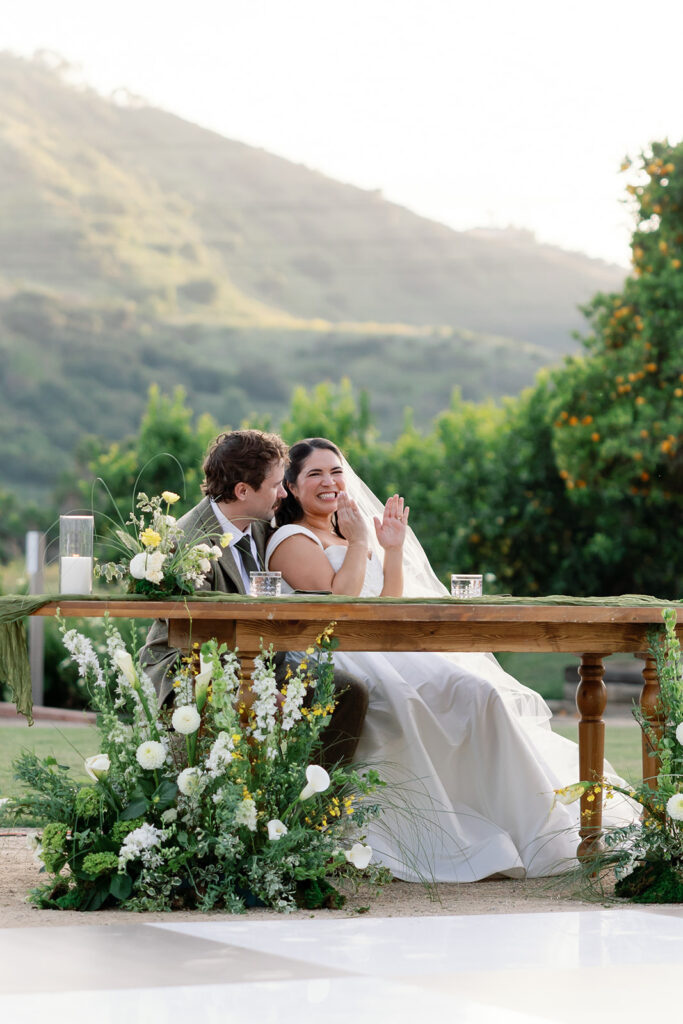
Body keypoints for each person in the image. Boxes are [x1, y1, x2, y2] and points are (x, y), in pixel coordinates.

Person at [265, 437, 639, 882]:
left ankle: (528, 824)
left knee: (484, 693)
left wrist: (392, 547)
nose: (330, 482)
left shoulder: (348, 531)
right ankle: (461, 832)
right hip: (350, 649)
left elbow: (389, 601)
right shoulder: (291, 539)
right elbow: (342, 602)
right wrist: (362, 538)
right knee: (422, 701)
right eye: (315, 474)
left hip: (388, 641)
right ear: (290, 486)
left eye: (336, 471)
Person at [140, 429, 368, 767]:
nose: (282, 494)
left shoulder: (261, 525)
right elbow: (196, 638)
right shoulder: (186, 543)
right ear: (242, 490)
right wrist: (254, 687)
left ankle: (312, 808)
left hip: (259, 662)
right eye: (276, 485)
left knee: (347, 690)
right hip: (194, 670)